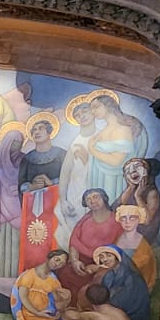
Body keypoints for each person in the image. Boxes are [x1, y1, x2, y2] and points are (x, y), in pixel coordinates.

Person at [17, 112, 66, 270]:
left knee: (54, 237)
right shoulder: (27, 158)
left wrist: (50, 183)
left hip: (55, 205)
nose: (36, 132)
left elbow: (69, 179)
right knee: (33, 238)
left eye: (40, 129)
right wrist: (31, 187)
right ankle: (31, 269)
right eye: (33, 130)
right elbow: (21, 183)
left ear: (50, 131)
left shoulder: (61, 155)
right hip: (32, 209)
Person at [82, 92, 146, 202]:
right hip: (100, 180)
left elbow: (117, 161)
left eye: (96, 107)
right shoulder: (104, 131)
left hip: (113, 182)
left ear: (108, 106)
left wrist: (92, 149)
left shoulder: (122, 129)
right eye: (91, 109)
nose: (93, 112)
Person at [0, 122, 26, 276]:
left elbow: (24, 178)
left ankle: (17, 271)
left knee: (17, 239)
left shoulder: (23, 159)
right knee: (3, 238)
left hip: (18, 204)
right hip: (2, 205)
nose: (18, 144)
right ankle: (2, 271)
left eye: (20, 142)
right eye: (15, 141)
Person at [11, 249, 71, 320]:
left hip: (46, 315)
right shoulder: (29, 275)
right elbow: (23, 297)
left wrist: (67, 298)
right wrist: (37, 313)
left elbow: (58, 304)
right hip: (31, 315)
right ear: (49, 257)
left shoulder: (54, 281)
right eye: (57, 260)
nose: (57, 264)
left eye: (61, 264)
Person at [92, 245, 150, 320]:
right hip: (113, 312)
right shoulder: (108, 276)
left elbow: (129, 299)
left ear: (117, 257)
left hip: (132, 314)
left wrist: (109, 304)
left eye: (108, 255)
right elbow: (103, 295)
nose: (105, 259)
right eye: (101, 257)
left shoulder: (132, 277)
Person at [59, 96, 98, 227]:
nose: (82, 116)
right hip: (75, 192)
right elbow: (65, 173)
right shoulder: (75, 142)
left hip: (97, 189)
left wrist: (88, 160)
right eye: (77, 115)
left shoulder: (102, 137)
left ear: (93, 112)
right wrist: (63, 200)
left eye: (85, 111)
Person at [68, 188, 123, 279]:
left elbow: (119, 250)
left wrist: (99, 267)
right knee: (66, 274)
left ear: (104, 198)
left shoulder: (117, 221)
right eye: (88, 199)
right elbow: (74, 242)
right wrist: (75, 261)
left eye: (96, 197)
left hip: (105, 263)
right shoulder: (84, 220)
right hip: (82, 261)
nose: (92, 201)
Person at [116, 157, 160, 244]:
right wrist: (130, 188)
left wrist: (138, 197)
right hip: (127, 233)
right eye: (128, 170)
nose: (132, 171)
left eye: (137, 167)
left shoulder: (152, 193)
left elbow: (147, 220)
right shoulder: (131, 189)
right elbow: (116, 208)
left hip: (142, 237)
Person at [114, 205, 157, 289]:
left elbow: (146, 268)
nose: (127, 222)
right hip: (117, 280)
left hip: (136, 283)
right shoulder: (117, 239)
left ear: (139, 220)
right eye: (123, 218)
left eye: (132, 218)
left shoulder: (143, 244)